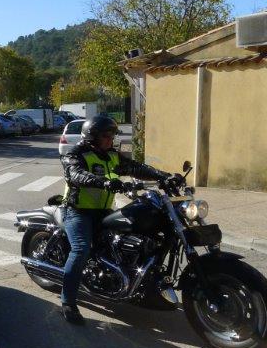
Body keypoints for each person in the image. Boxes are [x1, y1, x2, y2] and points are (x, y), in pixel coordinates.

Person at [59, 115, 181, 325]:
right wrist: (103, 182)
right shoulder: (76, 153)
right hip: (77, 211)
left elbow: (136, 167)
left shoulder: (112, 156)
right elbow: (75, 174)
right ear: (93, 136)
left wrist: (164, 176)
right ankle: (68, 302)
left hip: (103, 211)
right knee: (80, 250)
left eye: (113, 135)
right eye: (106, 136)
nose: (111, 139)